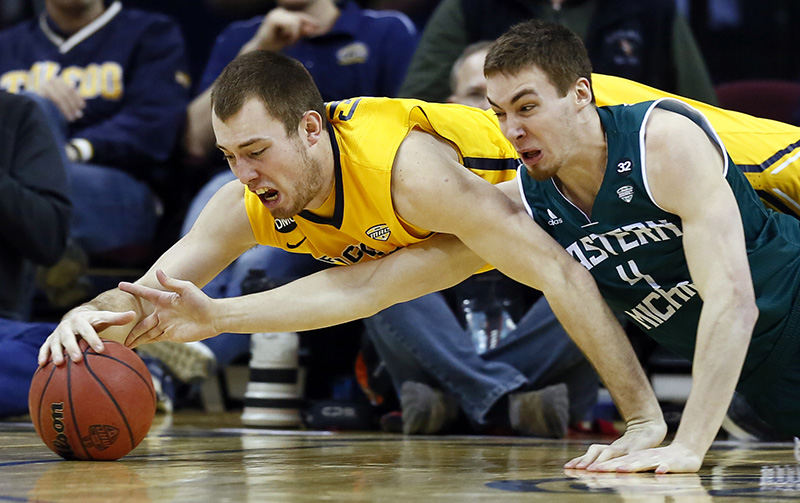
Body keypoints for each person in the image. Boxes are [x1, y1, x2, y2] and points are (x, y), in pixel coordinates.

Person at [39, 42, 800, 465]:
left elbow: (560, 271)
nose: (244, 175)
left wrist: (644, 422)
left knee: (783, 170)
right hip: (546, 224)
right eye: (232, 155)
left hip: (597, 145)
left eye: (257, 152)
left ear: (313, 130)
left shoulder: (410, 169)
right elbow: (350, 290)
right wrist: (84, 316)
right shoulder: (247, 199)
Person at [481, 20, 800, 472]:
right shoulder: (529, 201)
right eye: (499, 113)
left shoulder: (663, 143)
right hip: (765, 381)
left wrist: (689, 445)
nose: (511, 130)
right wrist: (641, 422)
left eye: (527, 107)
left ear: (580, 94)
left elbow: (734, 303)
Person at [140, 0, 419, 422]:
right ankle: (169, 331)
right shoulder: (240, 35)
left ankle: (173, 356)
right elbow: (195, 142)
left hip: (352, 191)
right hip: (272, 191)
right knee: (223, 191)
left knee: (271, 238)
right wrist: (259, 47)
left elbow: (401, 131)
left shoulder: (383, 30)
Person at [363, 41, 599, 437]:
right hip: (483, 370)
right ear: (450, 104)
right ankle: (506, 402)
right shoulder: (413, 173)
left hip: (532, 358)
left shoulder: (564, 168)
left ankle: (460, 399)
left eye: (515, 105)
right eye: (480, 98)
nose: (492, 114)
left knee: (606, 270)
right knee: (370, 264)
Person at [0, 0, 191, 297]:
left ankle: (43, 267)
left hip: (118, 192)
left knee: (34, 113)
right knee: (32, 108)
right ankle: (55, 259)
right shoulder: (7, 43)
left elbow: (155, 123)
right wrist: (26, 99)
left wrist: (70, 150)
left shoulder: (151, 32)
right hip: (24, 188)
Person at [398, 0, 718, 106]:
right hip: (500, 171)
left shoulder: (649, 8)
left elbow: (701, 109)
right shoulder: (470, 6)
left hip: (634, 168)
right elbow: (417, 105)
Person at [0, 90, 70, 417]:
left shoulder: (16, 113)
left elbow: (49, 238)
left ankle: (131, 365)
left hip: (5, 330)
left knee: (62, 351)